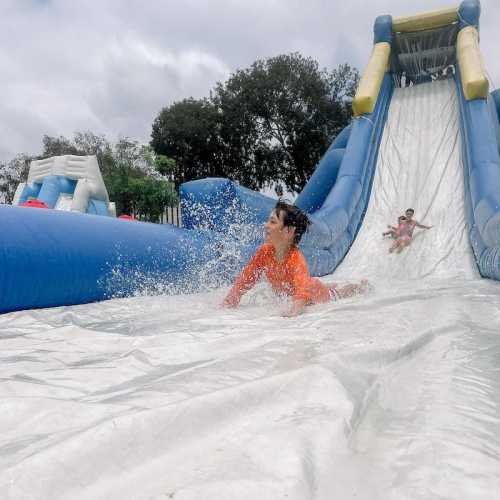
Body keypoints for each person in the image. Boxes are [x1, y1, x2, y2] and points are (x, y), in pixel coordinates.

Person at [222, 201, 368, 317]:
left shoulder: (296, 260)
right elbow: (247, 277)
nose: (266, 225)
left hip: (317, 295)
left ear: (288, 231)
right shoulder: (264, 252)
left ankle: (359, 286)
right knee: (314, 283)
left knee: (338, 293)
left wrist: (293, 312)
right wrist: (232, 299)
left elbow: (301, 295)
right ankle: (329, 285)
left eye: (272, 222)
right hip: (308, 285)